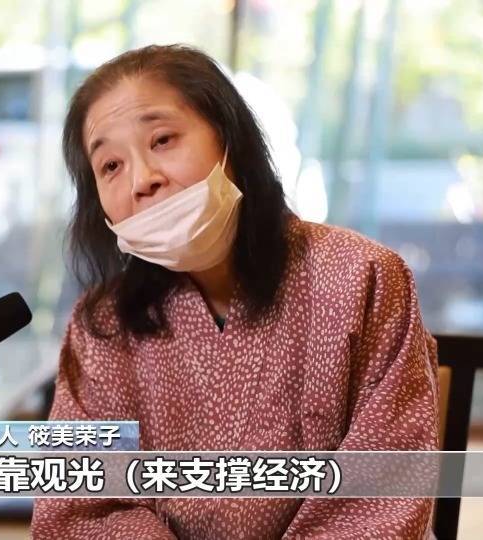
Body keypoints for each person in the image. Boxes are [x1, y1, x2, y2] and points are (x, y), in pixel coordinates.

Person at [30, 44, 440, 539]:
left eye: (163, 140)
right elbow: (82, 510)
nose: (142, 180)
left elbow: (382, 501)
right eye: (111, 166)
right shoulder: (102, 326)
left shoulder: (362, 278)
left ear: (230, 141)